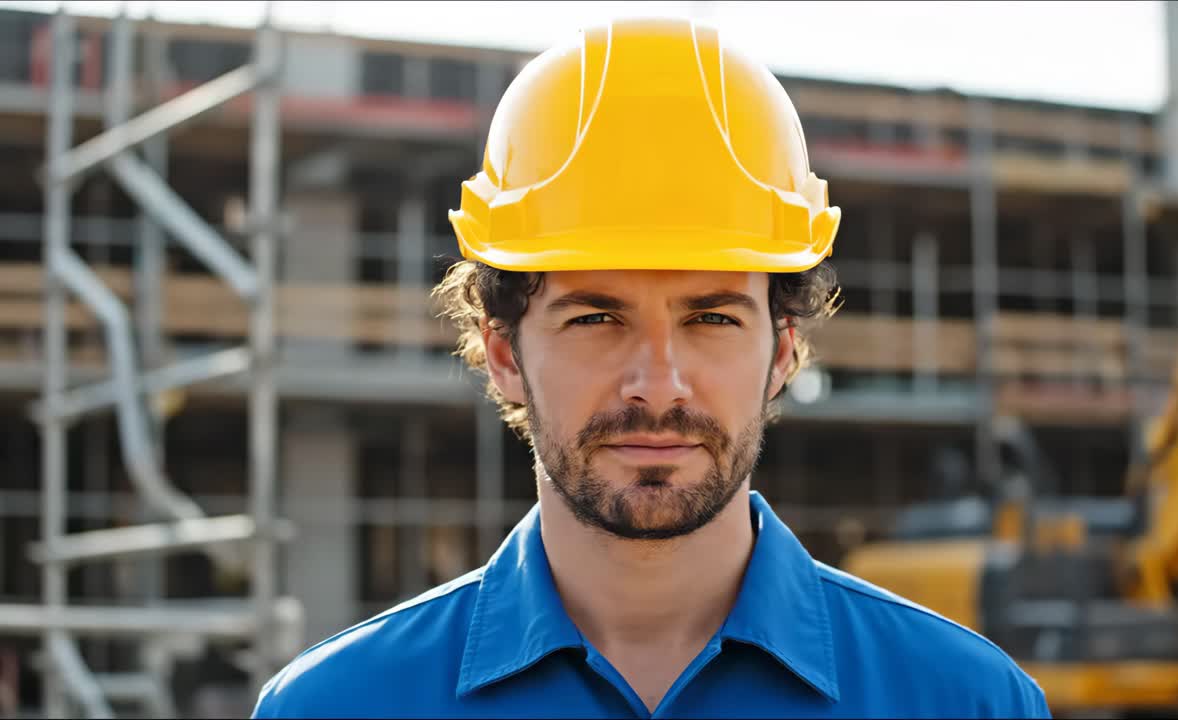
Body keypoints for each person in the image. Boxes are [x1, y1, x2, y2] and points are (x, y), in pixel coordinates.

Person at [252, 16, 1051, 719]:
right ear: (503, 354)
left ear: (783, 351)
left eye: (710, 318)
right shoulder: (335, 706)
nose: (658, 384)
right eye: (597, 317)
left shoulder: (970, 702)